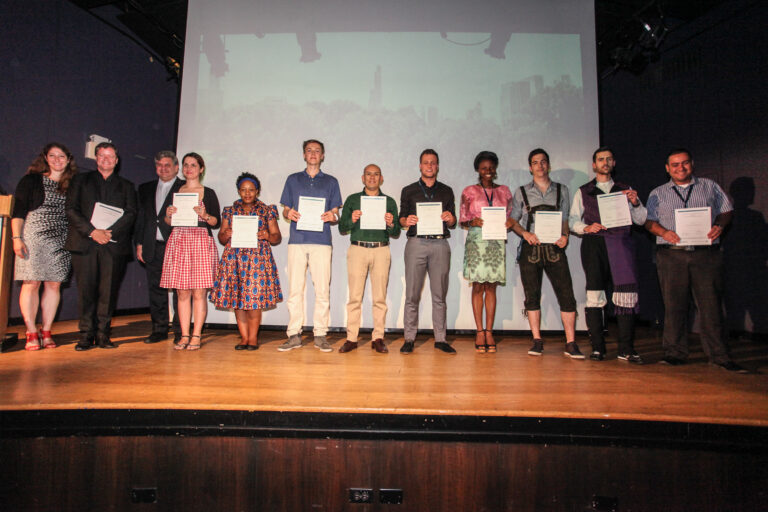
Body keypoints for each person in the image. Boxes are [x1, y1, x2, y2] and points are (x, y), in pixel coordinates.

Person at [644, 148, 747, 373]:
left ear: (692, 164)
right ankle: (674, 354)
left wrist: (719, 225)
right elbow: (648, 221)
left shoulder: (710, 186)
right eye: (675, 164)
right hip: (671, 255)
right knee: (674, 307)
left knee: (711, 307)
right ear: (667, 168)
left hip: (705, 255)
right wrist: (663, 232)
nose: (680, 168)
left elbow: (727, 211)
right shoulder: (657, 193)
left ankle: (719, 356)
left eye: (684, 163)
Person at [569, 147, 646, 363]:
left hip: (620, 244)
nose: (605, 162)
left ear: (614, 163)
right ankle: (597, 348)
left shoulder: (625, 189)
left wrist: (635, 203)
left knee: (625, 296)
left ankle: (626, 349)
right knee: (595, 295)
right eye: (601, 159)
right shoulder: (584, 191)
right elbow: (572, 220)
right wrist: (586, 227)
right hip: (595, 245)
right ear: (594, 165)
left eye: (609, 159)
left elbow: (641, 220)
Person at [508, 148, 583, 359]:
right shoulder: (521, 191)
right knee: (532, 295)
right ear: (530, 167)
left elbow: (565, 219)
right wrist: (525, 234)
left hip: (555, 248)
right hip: (530, 249)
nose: (539, 166)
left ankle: (571, 342)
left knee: (566, 294)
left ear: (548, 165)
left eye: (543, 162)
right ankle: (537, 340)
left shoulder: (562, 190)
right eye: (535, 162)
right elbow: (512, 220)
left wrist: (565, 236)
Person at [65, 142, 136, 350]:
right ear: (96, 159)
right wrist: (92, 231)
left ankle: (103, 334)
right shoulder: (80, 180)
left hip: (113, 246)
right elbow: (71, 209)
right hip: (85, 243)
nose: (106, 159)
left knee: (108, 292)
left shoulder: (127, 186)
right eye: (102, 156)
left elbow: (131, 213)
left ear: (117, 160)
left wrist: (109, 233)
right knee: (86, 292)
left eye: (110, 156)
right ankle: (86, 335)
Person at [278, 139, 342, 352]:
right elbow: (285, 210)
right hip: (297, 241)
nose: (313, 154)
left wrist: (332, 216)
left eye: (317, 151)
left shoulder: (331, 181)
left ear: (322, 156)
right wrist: (289, 213)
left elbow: (336, 214)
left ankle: (320, 334)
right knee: (295, 290)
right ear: (304, 155)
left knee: (322, 290)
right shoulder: (293, 179)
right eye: (309, 150)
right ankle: (293, 334)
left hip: (322, 242)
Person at [11, 143, 77, 350]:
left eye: (61, 156)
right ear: (45, 158)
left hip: (61, 238)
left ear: (68, 160)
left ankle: (46, 330)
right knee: (31, 283)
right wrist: (16, 238)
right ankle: (31, 331)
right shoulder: (31, 180)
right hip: (34, 236)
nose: (57, 160)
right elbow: (19, 211)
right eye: (52, 155)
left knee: (54, 285)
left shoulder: (73, 184)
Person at [210, 172, 283, 350]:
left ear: (257, 191)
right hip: (233, 259)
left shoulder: (267, 210)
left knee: (254, 300)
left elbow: (277, 237)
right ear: (238, 191)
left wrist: (267, 235)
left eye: (251, 190)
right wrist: (226, 234)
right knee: (237, 300)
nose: (247, 193)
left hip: (257, 260)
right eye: (243, 190)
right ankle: (243, 338)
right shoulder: (229, 211)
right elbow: (221, 238)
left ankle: (253, 338)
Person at [337, 164, 401, 354]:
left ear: (381, 178)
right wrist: (352, 220)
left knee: (379, 298)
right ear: (362, 178)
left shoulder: (389, 201)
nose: (372, 177)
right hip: (358, 249)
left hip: (381, 250)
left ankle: (378, 338)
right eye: (368, 174)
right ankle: (351, 338)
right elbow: (342, 227)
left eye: (376, 174)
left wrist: (391, 224)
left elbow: (396, 231)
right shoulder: (353, 199)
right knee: (354, 297)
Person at [160, 152, 220, 351]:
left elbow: (216, 222)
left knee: (199, 292)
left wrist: (205, 214)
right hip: (179, 240)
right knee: (182, 292)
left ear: (201, 169)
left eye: (193, 165)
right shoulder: (175, 191)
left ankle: (196, 335)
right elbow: (167, 221)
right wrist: (168, 215)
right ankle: (184, 334)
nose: (189, 168)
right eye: (186, 165)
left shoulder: (208, 192)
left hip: (201, 241)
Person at [399, 149, 457, 354]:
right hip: (416, 244)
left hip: (440, 244)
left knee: (439, 295)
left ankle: (440, 339)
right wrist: (406, 221)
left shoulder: (447, 191)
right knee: (412, 295)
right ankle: (409, 338)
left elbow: (453, 221)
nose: (429, 166)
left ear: (437, 166)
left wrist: (450, 219)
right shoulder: (408, 190)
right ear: (420, 166)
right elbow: (401, 218)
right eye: (426, 162)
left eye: (433, 162)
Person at [459, 151, 514, 353]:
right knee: (477, 287)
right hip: (477, 242)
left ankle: (489, 331)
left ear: (495, 168)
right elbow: (462, 219)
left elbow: (510, 216)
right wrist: (471, 221)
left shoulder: (505, 191)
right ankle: (479, 331)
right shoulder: (469, 191)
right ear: (478, 170)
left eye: (491, 167)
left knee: (491, 288)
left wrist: (509, 223)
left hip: (496, 243)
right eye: (483, 168)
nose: (488, 171)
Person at [134, 150, 184, 344]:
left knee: (179, 290)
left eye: (167, 165)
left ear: (176, 167)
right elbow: (141, 218)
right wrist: (139, 243)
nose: (163, 169)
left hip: (176, 245)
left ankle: (180, 331)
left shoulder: (185, 188)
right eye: (159, 165)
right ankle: (159, 329)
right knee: (155, 289)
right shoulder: (145, 188)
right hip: (151, 245)